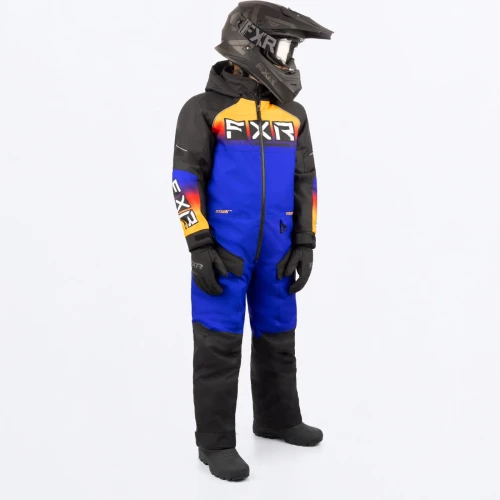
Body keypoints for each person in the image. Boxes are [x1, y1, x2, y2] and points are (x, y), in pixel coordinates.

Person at [172, 1, 332, 481]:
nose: (289, 59)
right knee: (218, 345)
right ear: (253, 43)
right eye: (284, 48)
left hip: (278, 250)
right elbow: (184, 179)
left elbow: (306, 180)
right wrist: (199, 245)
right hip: (225, 251)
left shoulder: (294, 114)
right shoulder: (204, 109)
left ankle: (278, 419)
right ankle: (215, 443)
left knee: (279, 336)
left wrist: (305, 242)